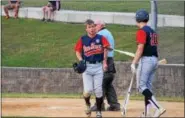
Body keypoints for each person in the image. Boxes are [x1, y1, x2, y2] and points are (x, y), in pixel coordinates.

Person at [131, 9, 166, 117]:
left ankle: (158, 108)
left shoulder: (142, 31)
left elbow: (140, 48)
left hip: (147, 60)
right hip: (154, 60)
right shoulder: (152, 31)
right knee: (147, 88)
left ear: (138, 19)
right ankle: (146, 114)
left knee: (141, 87)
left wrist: (134, 63)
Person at [74, 19, 110, 118]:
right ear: (86, 29)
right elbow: (77, 51)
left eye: (93, 26)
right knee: (88, 90)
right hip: (87, 67)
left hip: (98, 66)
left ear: (95, 27)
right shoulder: (83, 39)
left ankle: (99, 111)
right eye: (89, 27)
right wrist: (81, 60)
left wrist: (105, 62)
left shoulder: (101, 38)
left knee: (98, 90)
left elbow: (106, 49)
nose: (92, 29)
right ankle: (88, 104)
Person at [90, 19, 120, 111]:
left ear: (100, 25)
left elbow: (103, 49)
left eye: (95, 25)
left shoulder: (101, 34)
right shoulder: (107, 32)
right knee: (107, 84)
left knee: (101, 83)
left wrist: (103, 62)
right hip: (109, 60)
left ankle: (99, 105)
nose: (94, 27)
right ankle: (114, 105)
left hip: (105, 60)